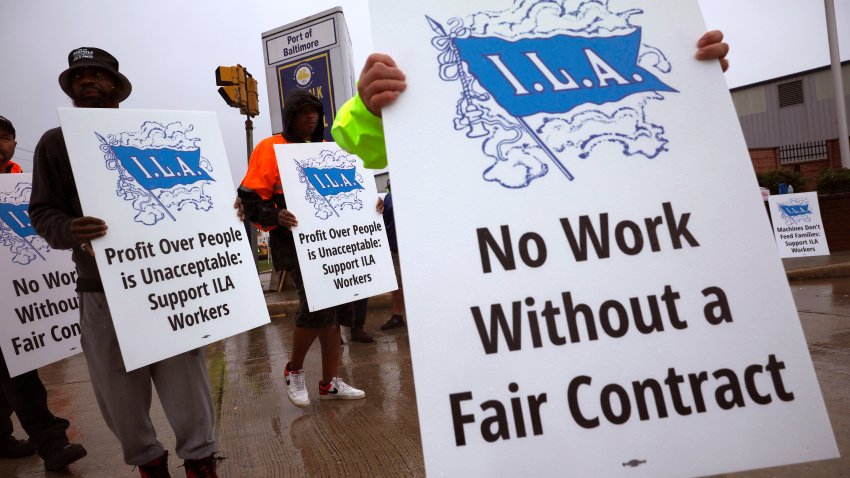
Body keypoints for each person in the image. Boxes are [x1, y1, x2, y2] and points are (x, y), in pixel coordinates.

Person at [29, 47, 219, 478]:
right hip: (101, 290)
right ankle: (149, 464)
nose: (88, 80)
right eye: (79, 75)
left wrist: (227, 212)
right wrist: (69, 229)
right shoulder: (54, 143)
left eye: (98, 74)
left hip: (171, 283)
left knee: (187, 383)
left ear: (117, 86)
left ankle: (201, 462)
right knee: (119, 392)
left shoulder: (154, 136)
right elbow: (43, 213)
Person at [331, 30, 731, 169]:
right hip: (499, 275)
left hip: (636, 252)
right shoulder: (423, 33)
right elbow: (357, 149)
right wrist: (370, 109)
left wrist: (694, 77)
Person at [238, 89, 365, 407]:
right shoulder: (270, 147)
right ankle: (293, 370)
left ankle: (329, 382)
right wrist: (275, 215)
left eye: (315, 111)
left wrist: (371, 204)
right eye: (303, 111)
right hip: (292, 240)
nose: (311, 116)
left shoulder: (328, 149)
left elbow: (352, 192)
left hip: (334, 241)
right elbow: (250, 199)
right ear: (290, 116)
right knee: (316, 307)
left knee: (335, 309)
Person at [0, 115, 88, 471]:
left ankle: (52, 444)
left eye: (5, 138)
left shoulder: (24, 182)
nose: (0, 145)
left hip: (12, 302)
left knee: (19, 374)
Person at [377, 189, 406, 330]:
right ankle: (397, 315)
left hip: (411, 248)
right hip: (396, 248)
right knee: (398, 284)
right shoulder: (388, 198)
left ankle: (399, 315)